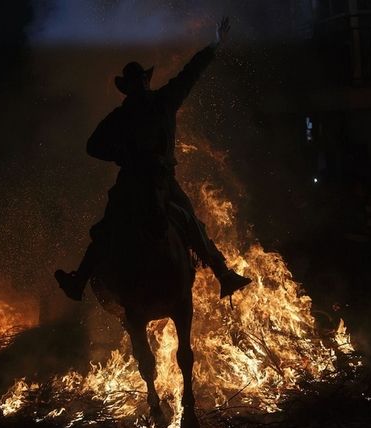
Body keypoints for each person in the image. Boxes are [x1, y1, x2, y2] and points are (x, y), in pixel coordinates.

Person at [55, 17, 251, 301]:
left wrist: (214, 45)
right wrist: (124, 155)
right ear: (137, 84)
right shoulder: (145, 107)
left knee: (127, 226)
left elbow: (191, 73)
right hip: (148, 183)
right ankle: (223, 274)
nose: (141, 84)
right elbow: (93, 146)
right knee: (132, 226)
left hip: (148, 182)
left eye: (140, 81)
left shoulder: (142, 108)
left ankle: (223, 274)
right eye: (138, 82)